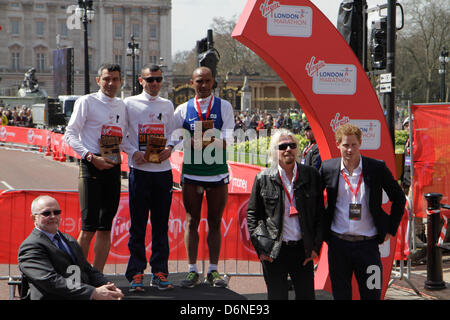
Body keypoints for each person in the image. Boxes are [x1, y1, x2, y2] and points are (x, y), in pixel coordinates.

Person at [320, 123, 405, 300]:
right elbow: (313, 200)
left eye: (353, 145)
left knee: (372, 295)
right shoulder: (328, 168)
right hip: (338, 246)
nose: (349, 149)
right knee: (341, 296)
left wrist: (391, 228)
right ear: (338, 145)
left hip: (368, 247)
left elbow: (399, 198)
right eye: (345, 145)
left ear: (360, 144)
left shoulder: (376, 168)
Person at [173, 66, 234, 288]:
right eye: (199, 81)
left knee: (216, 222)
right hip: (191, 172)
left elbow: (228, 138)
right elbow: (174, 139)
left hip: (216, 172)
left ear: (213, 82)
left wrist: (194, 142)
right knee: (192, 222)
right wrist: (193, 142)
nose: (204, 85)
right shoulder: (182, 109)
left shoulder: (225, 106)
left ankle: (213, 270)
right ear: (192, 83)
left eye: (208, 81)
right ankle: (192, 270)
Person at [64, 63, 128, 272]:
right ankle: (78, 277)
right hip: (91, 166)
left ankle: (98, 275)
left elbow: (124, 139)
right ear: (98, 80)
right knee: (88, 227)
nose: (111, 83)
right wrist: (91, 157)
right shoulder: (87, 101)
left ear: (120, 81)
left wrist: (139, 153)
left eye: (115, 79)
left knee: (105, 227)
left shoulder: (122, 105)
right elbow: (70, 134)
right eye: (107, 78)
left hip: (113, 167)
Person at [246, 129, 324, 300]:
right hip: (275, 252)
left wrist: (315, 248)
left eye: (292, 145)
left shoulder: (311, 175)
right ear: (275, 151)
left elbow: (319, 214)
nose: (288, 149)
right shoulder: (263, 178)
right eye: (282, 146)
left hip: (303, 251)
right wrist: (263, 248)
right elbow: (252, 216)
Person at [121, 64, 175, 291]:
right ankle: (135, 274)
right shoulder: (128, 104)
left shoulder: (168, 104)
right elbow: (120, 135)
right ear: (141, 81)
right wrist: (134, 152)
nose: (155, 84)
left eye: (158, 79)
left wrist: (170, 148)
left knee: (161, 225)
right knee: (138, 225)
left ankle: (160, 272)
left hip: (163, 173)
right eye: (150, 79)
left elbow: (173, 134)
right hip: (140, 172)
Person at [18, 195, 124, 300]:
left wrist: (110, 287)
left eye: (56, 212)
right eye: (46, 213)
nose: (53, 216)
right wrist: (93, 292)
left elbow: (87, 269)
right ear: (33, 217)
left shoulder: (68, 239)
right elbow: (51, 281)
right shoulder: (30, 247)